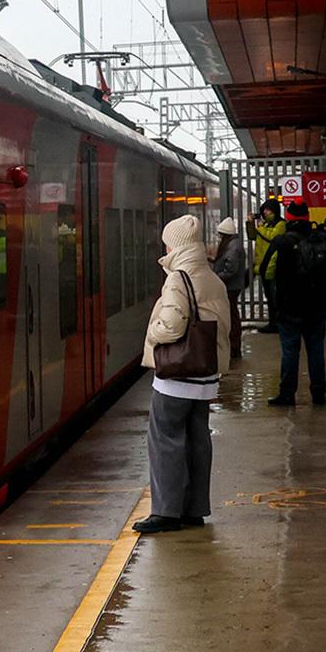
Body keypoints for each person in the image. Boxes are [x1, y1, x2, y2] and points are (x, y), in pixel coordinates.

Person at [134, 215, 231, 534]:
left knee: (164, 439)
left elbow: (172, 325)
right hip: (204, 374)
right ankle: (194, 509)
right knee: (197, 439)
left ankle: (166, 512)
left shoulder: (178, 277)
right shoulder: (212, 277)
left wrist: (152, 333)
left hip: (177, 376)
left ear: (176, 245)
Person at [260, 200, 326, 407]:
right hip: (316, 308)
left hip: (289, 308)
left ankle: (287, 394)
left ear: (289, 217)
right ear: (307, 216)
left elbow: (265, 270)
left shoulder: (282, 242)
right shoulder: (322, 241)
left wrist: (277, 296)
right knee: (316, 351)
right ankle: (319, 393)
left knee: (290, 352)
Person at [246, 199, 285, 333]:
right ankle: (273, 322)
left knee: (275, 297)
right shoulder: (265, 225)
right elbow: (252, 236)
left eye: (268, 210)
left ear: (275, 210)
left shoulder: (280, 224)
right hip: (263, 265)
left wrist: (260, 227)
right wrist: (250, 224)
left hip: (274, 266)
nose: (265, 212)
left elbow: (273, 237)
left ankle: (277, 324)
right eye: (264, 210)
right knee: (269, 296)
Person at [211, 217, 247, 359]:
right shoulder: (234, 245)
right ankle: (234, 347)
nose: (219, 238)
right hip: (233, 285)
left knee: (232, 316)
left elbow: (230, 269)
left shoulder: (232, 247)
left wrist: (216, 277)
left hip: (230, 286)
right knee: (232, 315)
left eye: (221, 235)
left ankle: (234, 347)